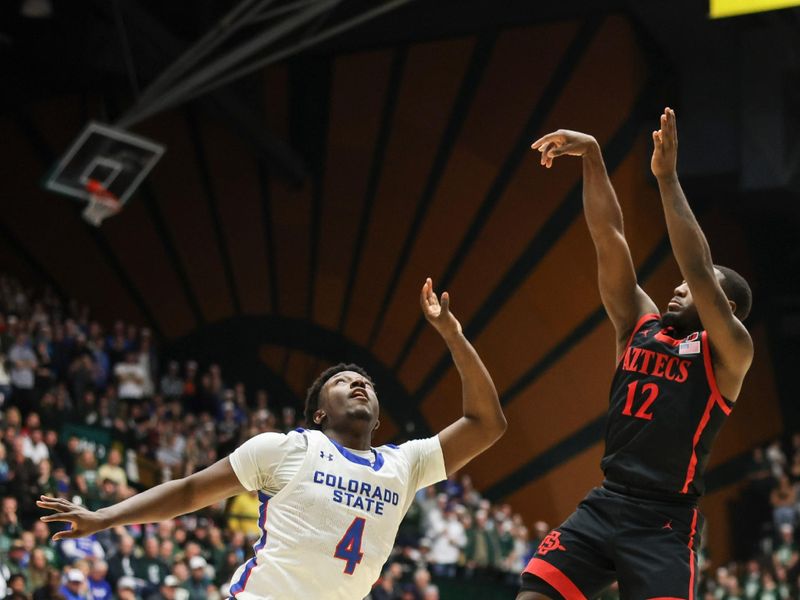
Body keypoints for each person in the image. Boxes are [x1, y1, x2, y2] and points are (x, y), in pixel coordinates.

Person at [37, 278, 507, 600]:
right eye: (343, 382)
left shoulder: (406, 464)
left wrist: (452, 333)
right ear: (320, 412)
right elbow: (189, 491)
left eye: (366, 384)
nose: (359, 384)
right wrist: (104, 517)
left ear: (378, 416)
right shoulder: (287, 448)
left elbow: (488, 424)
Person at [521, 108, 754, 599]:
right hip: (606, 502)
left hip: (664, 521)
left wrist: (667, 179)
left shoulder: (729, 352)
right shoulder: (638, 325)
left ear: (724, 305)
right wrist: (592, 157)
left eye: (692, 290)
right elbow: (610, 238)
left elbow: (697, 263)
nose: (677, 288)